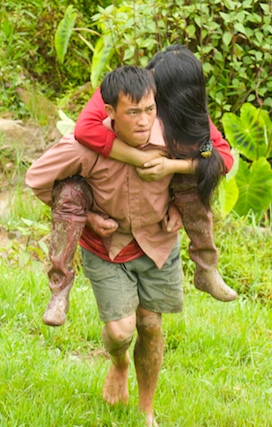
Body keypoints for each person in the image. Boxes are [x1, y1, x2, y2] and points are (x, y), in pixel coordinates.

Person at [26, 65, 194, 426]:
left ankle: (146, 410)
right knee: (121, 332)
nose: (144, 120)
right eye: (132, 112)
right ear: (110, 111)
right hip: (107, 247)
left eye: (149, 110)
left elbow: (212, 166)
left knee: (150, 324)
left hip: (158, 243)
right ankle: (118, 363)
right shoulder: (84, 147)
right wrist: (87, 217)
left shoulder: (173, 136)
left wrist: (181, 204)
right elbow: (37, 180)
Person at [40, 44, 237, 327]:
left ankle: (206, 267)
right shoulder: (128, 90)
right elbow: (85, 129)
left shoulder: (188, 111)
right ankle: (59, 290)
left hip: (159, 209)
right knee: (71, 192)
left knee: (195, 176)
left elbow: (222, 158)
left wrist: (173, 168)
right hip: (107, 202)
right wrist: (140, 158)